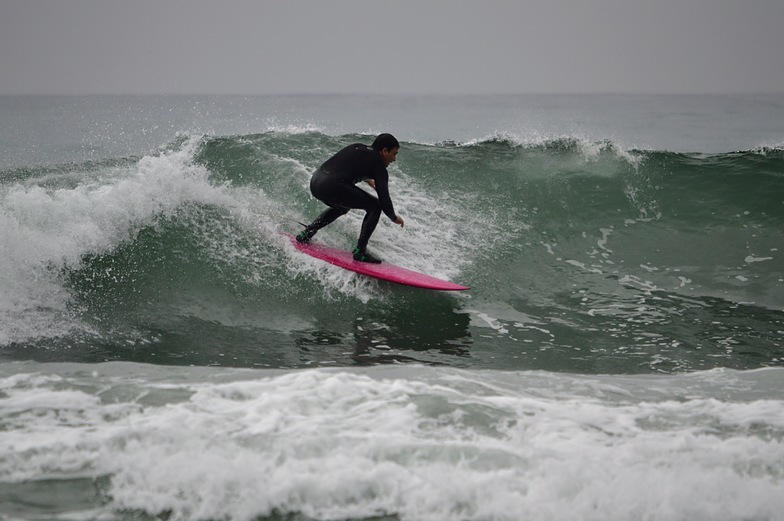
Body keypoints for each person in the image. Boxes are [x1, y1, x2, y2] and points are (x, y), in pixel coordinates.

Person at [296, 133, 405, 263]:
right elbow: (384, 199)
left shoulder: (357, 147)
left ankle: (307, 233)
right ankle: (360, 251)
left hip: (316, 183)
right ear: (384, 151)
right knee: (375, 206)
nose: (394, 159)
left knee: (342, 207)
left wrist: (368, 180)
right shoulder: (379, 167)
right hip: (333, 185)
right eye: (394, 154)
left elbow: (346, 166)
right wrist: (393, 217)